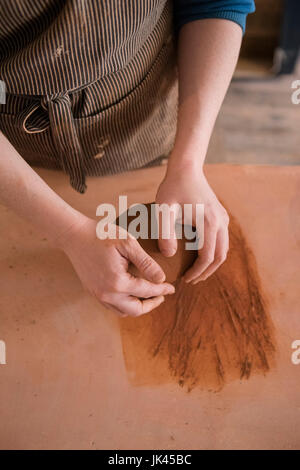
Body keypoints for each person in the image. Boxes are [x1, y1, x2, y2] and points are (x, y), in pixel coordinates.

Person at [0, 0, 255, 316]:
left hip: (151, 113)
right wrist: (68, 232)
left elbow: (215, 4)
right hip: (16, 154)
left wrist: (188, 163)